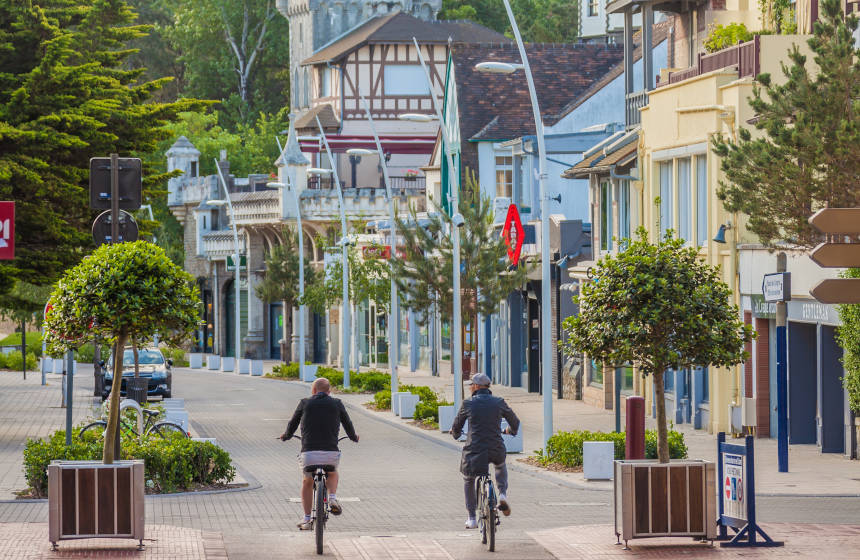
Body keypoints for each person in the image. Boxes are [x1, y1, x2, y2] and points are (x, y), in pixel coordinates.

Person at [281, 377, 359, 530]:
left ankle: (307, 518)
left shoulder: (304, 403)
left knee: (307, 481)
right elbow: (347, 424)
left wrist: (286, 436)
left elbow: (293, 424)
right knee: (333, 472)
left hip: (309, 455)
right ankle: (332, 498)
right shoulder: (337, 403)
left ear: (313, 390)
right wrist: (353, 437)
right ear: (329, 392)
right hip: (330, 453)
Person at [451, 373, 520, 530]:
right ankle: (502, 494)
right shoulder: (499, 402)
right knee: (500, 465)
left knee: (468, 479)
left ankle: (472, 518)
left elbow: (457, 425)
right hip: (495, 447)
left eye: (470, 385)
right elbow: (515, 421)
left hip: (474, 450)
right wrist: (510, 430)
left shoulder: (468, 403)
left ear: (476, 386)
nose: (469, 387)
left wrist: (455, 434)